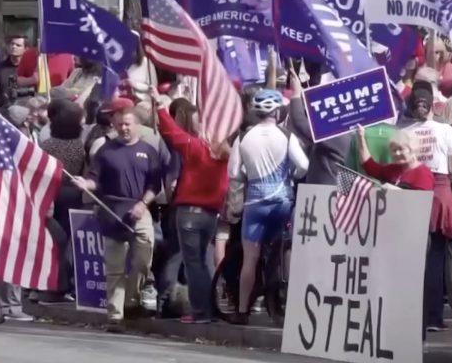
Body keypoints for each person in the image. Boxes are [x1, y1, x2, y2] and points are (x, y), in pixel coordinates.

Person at [72, 103, 161, 332]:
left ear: (138, 126)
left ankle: (131, 300)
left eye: (128, 124)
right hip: (111, 211)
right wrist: (85, 184)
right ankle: (115, 316)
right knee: (115, 267)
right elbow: (94, 179)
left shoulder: (149, 151)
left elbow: (155, 185)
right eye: (119, 124)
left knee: (143, 260)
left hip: (139, 211)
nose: (124, 128)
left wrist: (143, 204)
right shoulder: (106, 151)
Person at [227, 89, 308, 325]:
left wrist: (249, 178)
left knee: (250, 259)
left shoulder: (243, 138)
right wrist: (290, 176)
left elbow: (233, 173)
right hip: (282, 201)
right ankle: (286, 304)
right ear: (277, 111)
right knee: (285, 253)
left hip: (254, 203)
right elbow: (303, 164)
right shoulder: (285, 135)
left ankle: (242, 310)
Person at [151, 87, 229, 324]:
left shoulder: (197, 148)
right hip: (210, 216)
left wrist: (161, 107)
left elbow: (171, 132)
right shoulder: (225, 156)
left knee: (194, 265)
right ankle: (207, 309)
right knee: (202, 264)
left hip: (189, 214)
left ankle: (200, 312)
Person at [403, 81, 452, 332]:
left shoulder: (404, 132)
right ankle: (434, 317)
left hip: (412, 194)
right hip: (438, 193)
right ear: (431, 105)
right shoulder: (446, 130)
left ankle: (413, 314)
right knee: (437, 258)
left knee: (413, 260)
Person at [40, 101, 86, 301]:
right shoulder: (79, 147)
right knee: (69, 241)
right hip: (72, 194)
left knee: (54, 240)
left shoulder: (47, 145)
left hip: (51, 193)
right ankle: (67, 283)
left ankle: (54, 282)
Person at [356, 126, 433, 191]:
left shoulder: (423, 174)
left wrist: (396, 191)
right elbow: (369, 166)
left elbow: (422, 203)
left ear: (413, 148)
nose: (397, 153)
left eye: (401, 149)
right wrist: (361, 137)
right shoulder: (393, 168)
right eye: (394, 150)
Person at [0, 34, 26, 111]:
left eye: (18, 45)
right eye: (12, 44)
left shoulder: (31, 69)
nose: (13, 47)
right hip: (3, 113)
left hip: (24, 113)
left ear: (25, 49)